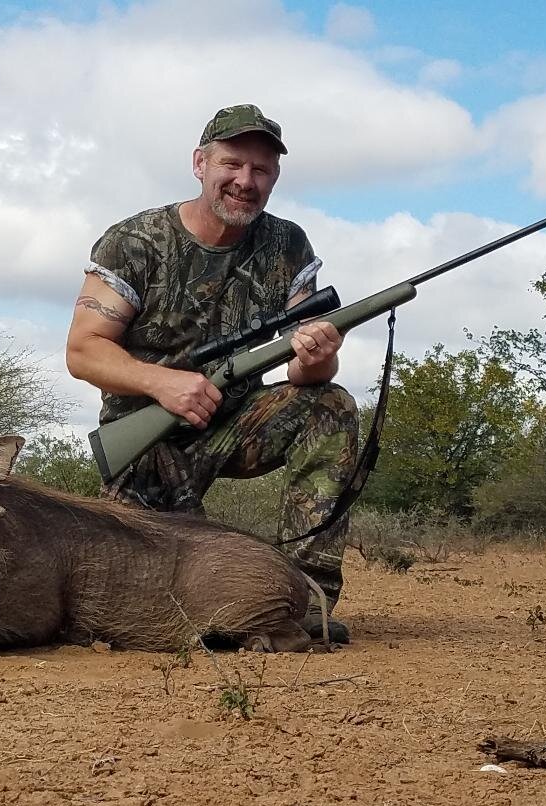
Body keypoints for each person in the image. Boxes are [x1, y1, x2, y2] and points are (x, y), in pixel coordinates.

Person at [65, 104, 357, 643]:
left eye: (262, 170)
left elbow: (307, 370)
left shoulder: (288, 244)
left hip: (234, 423)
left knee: (331, 403)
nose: (246, 181)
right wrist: (162, 383)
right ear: (200, 164)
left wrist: (319, 356)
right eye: (232, 164)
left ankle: (305, 598)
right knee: (138, 596)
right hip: (146, 440)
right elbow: (83, 351)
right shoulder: (134, 242)